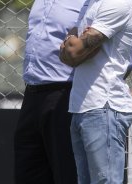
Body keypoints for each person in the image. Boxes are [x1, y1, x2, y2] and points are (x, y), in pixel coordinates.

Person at [59, 0, 132, 183]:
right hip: (82, 106)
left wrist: (74, 43)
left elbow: (73, 52)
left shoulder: (118, 2)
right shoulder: (90, 3)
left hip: (104, 107)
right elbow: (68, 51)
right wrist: (74, 43)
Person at [14, 0, 88, 184]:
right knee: (28, 172)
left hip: (66, 94)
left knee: (67, 173)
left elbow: (127, 55)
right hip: (32, 94)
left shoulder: (92, 3)